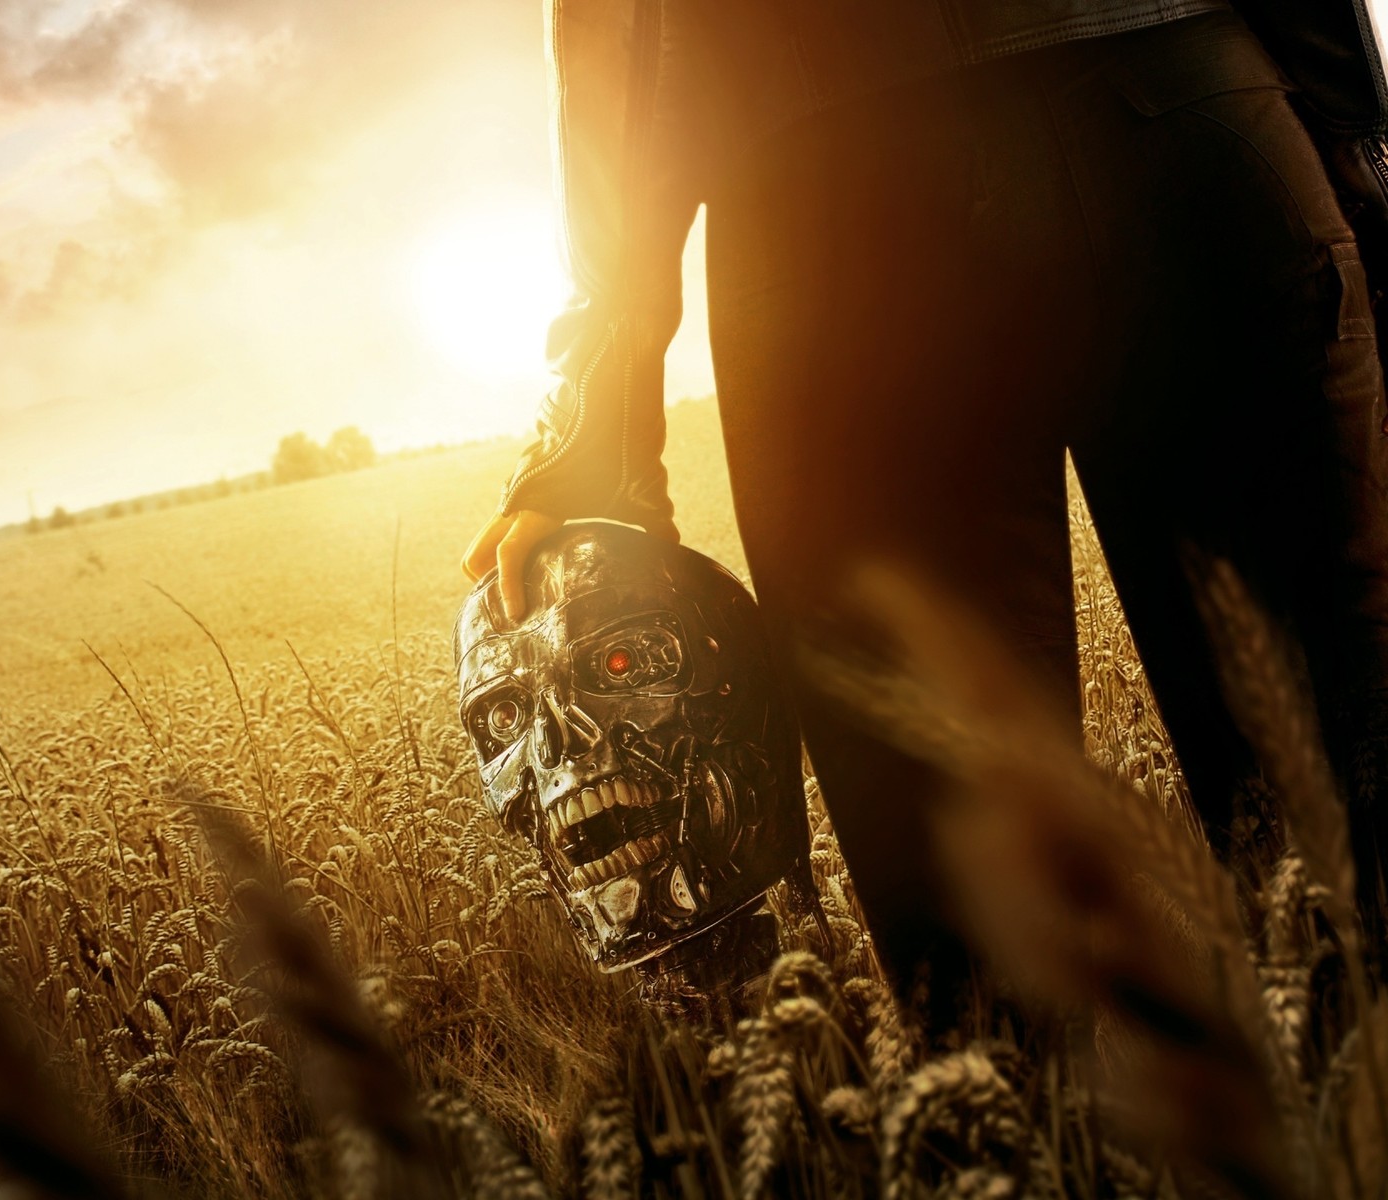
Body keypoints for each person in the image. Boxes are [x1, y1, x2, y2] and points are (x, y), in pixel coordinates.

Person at [462, 0, 1388, 1005]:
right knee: (1350, 849)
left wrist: (595, 408)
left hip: (836, 210)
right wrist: (1356, 161)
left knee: (987, 974)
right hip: (1200, 130)